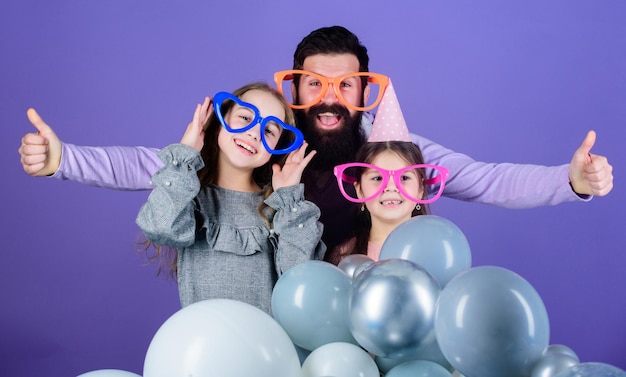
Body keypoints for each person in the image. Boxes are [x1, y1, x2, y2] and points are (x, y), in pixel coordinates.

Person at [18, 26, 614, 254]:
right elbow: (157, 163)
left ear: (363, 94)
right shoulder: (262, 142)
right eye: (315, 82)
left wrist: (571, 181)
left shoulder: (392, 152)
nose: (330, 95)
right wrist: (62, 159)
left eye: (346, 84)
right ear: (297, 85)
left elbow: (488, 179)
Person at [135, 82, 325, 314]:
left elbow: (302, 282)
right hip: (205, 342)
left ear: (277, 147)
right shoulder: (189, 195)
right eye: (246, 118)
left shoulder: (278, 209)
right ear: (220, 123)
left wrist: (288, 199)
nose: (254, 133)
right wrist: (185, 153)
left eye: (268, 131)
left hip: (267, 346)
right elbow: (161, 226)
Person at [325, 82, 449, 265]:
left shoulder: (439, 251)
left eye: (404, 177)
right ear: (359, 190)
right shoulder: (345, 256)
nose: (391, 186)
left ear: (421, 187)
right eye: (377, 178)